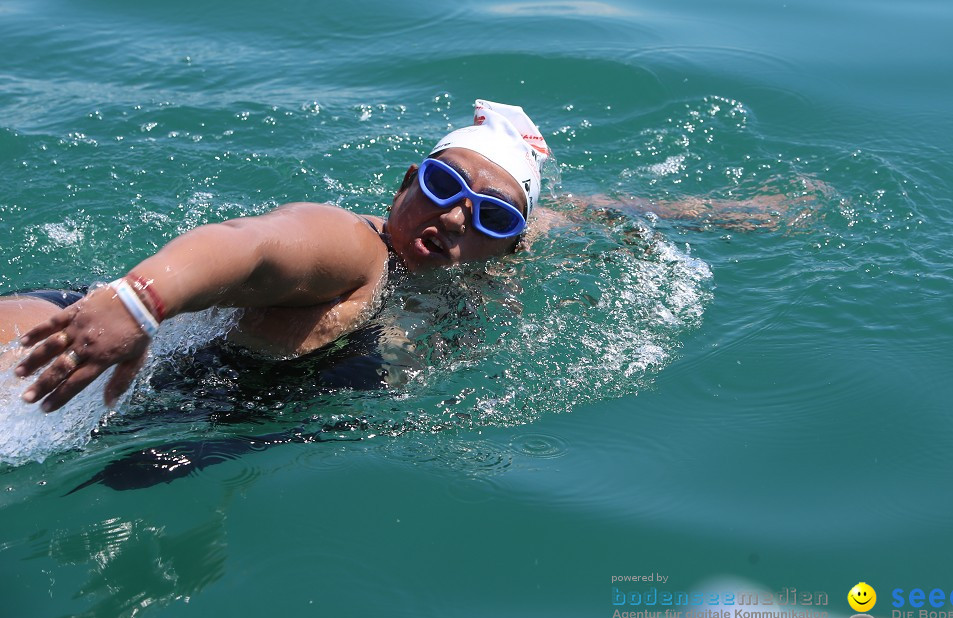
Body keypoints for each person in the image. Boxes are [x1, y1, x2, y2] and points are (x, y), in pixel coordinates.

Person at [5, 99, 551, 413]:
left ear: (511, 243)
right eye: (443, 185)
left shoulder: (481, 273)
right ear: (408, 182)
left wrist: (623, 210)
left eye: (493, 216)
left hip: (170, 391)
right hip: (93, 339)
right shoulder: (355, 248)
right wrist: (138, 301)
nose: (456, 217)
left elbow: (555, 217)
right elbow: (253, 244)